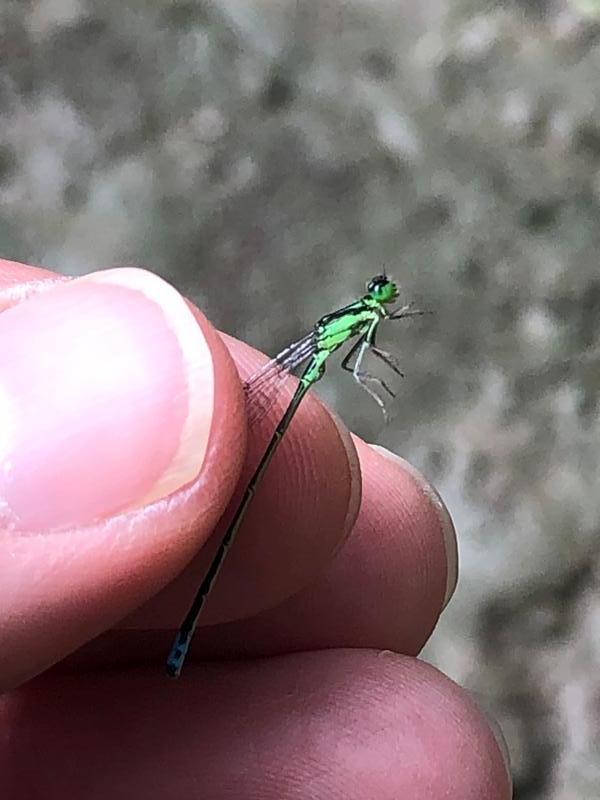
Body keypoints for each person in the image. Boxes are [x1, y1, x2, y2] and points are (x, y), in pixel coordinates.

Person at [0, 262, 511, 798]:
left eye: (384, 295)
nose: (384, 297)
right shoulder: (358, 319)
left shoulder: (364, 318)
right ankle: (181, 640)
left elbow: (362, 355)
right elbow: (358, 366)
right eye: (381, 294)